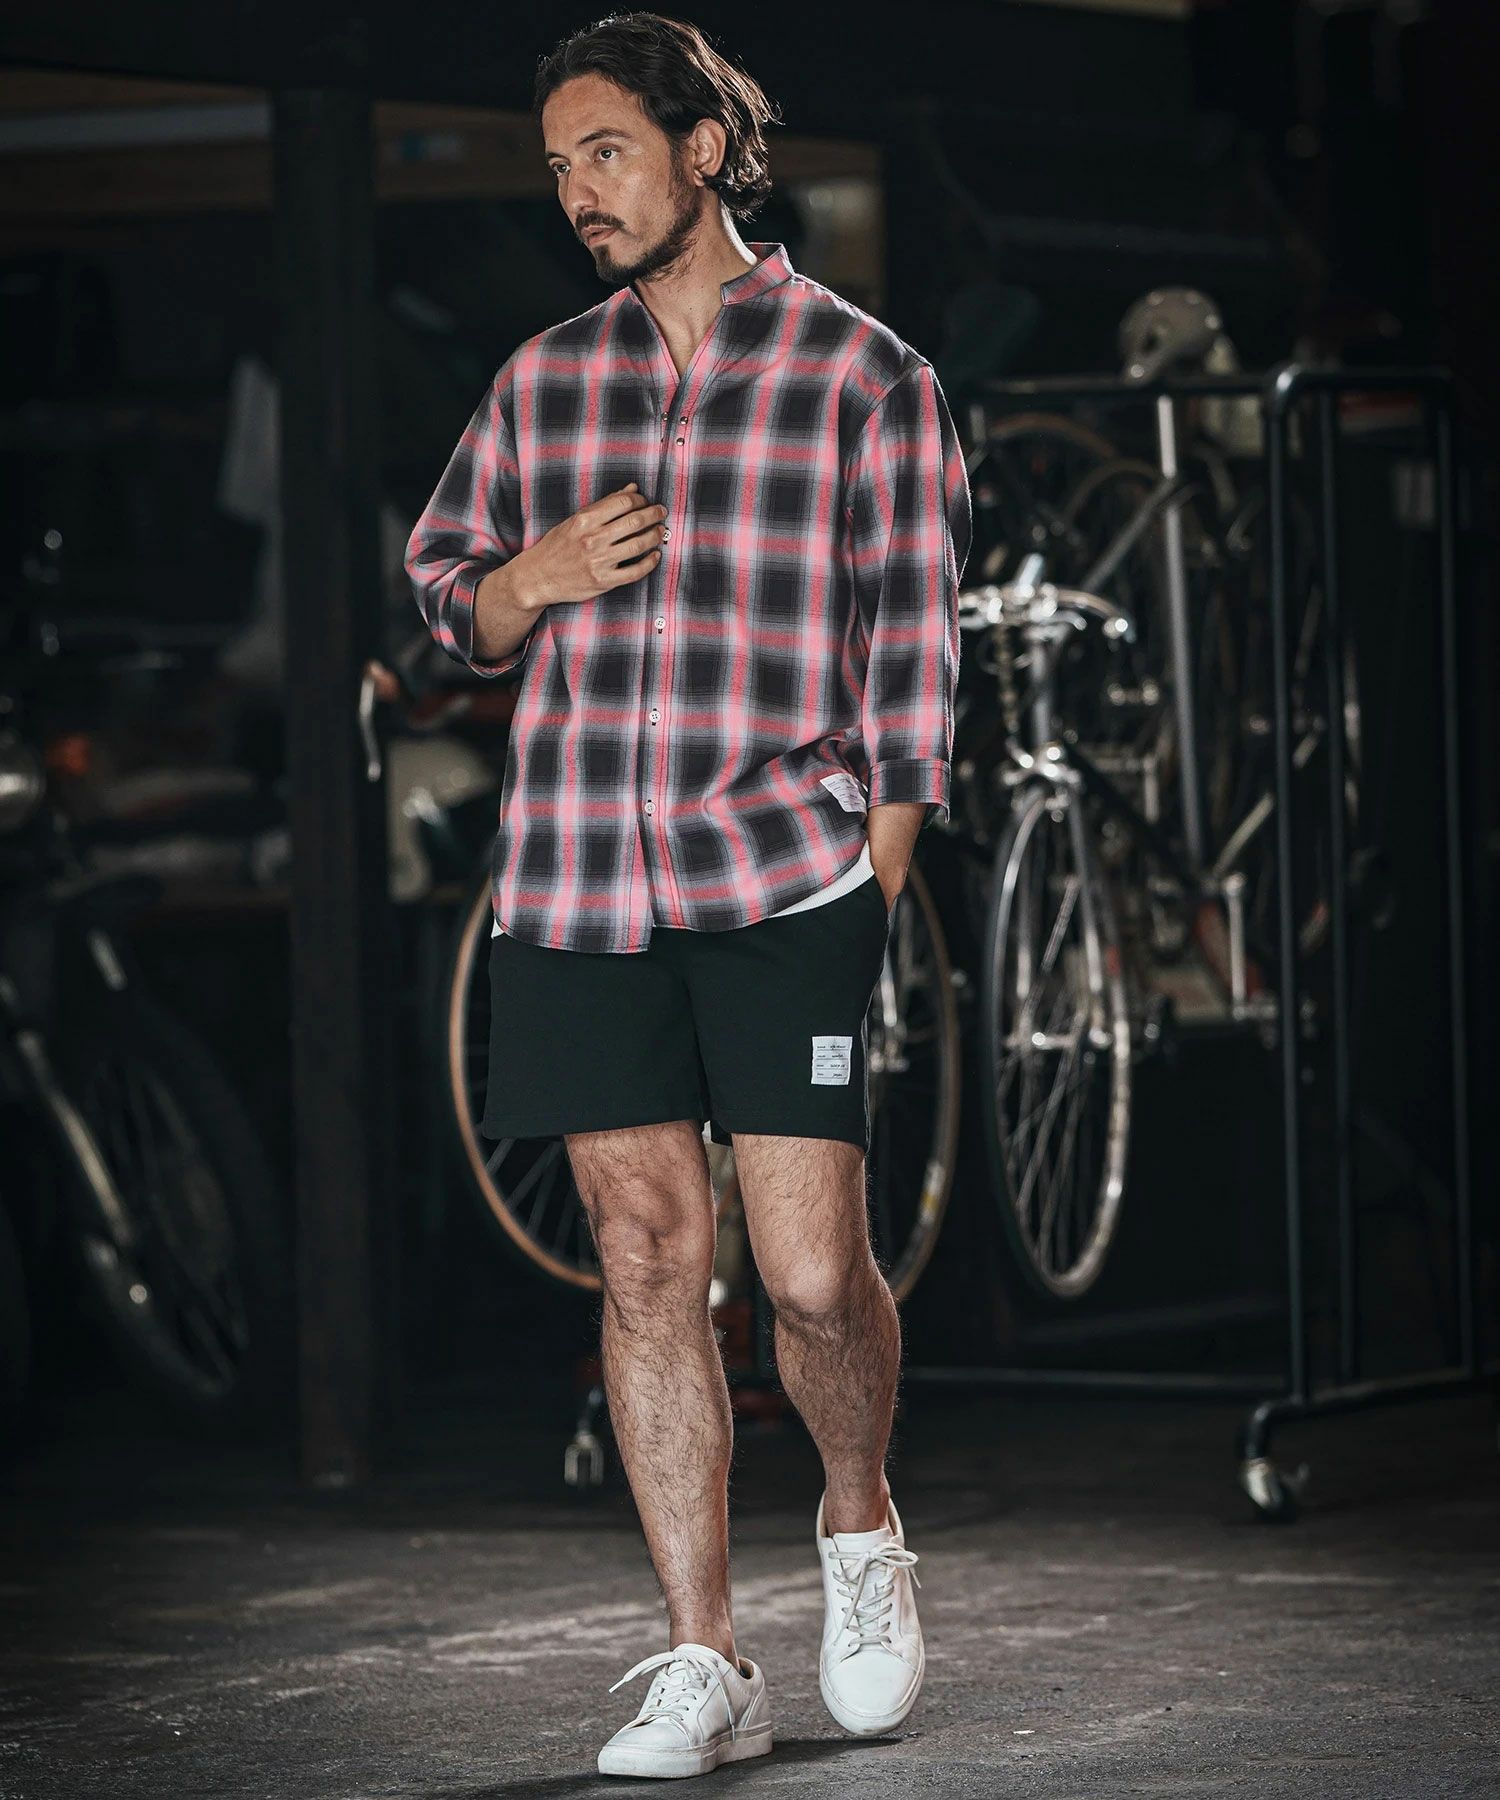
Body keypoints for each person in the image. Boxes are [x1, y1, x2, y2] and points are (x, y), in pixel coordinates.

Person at [405, 13, 970, 1781]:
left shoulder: (865, 375)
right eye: (557, 165)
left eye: (606, 152)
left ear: (702, 150)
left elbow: (916, 666)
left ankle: (861, 1528)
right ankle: (706, 1659)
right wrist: (533, 578)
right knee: (649, 1259)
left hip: (785, 879)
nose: (579, 191)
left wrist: (873, 888)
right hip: (580, 881)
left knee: (806, 1274)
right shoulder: (541, 383)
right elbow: (443, 598)